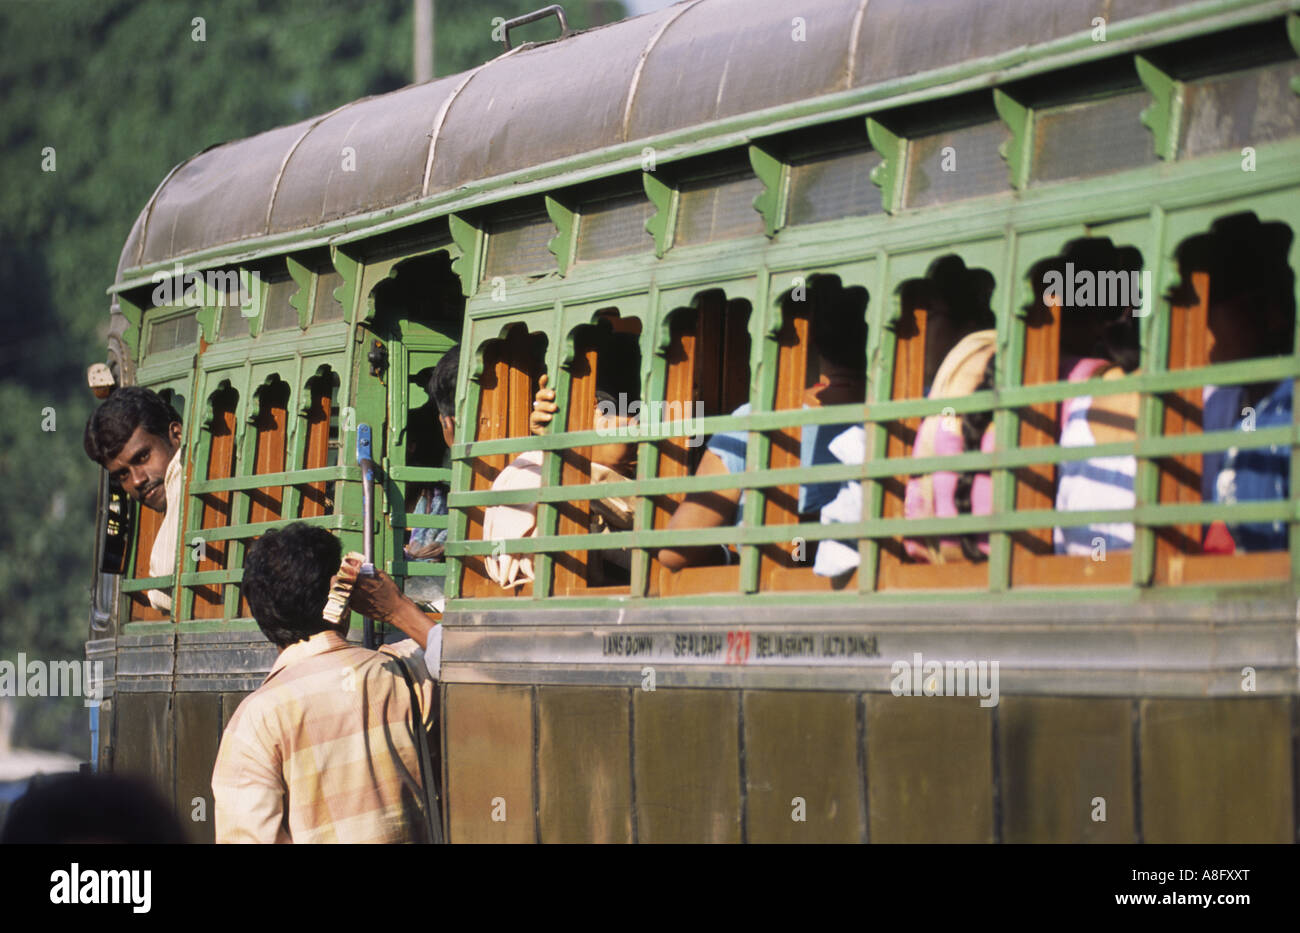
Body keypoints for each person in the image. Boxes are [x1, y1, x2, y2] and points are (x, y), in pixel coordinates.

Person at [211, 522, 442, 843]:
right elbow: (461, 654)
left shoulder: (256, 719)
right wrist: (398, 608)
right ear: (341, 595)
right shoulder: (401, 673)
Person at [656, 281, 868, 571]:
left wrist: (728, 556)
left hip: (772, 590)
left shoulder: (752, 420)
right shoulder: (906, 416)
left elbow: (675, 552)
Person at [83, 387, 184, 612]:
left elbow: (163, 592)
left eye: (143, 457)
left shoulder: (183, 469)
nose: (137, 481)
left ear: (177, 435)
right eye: (123, 475)